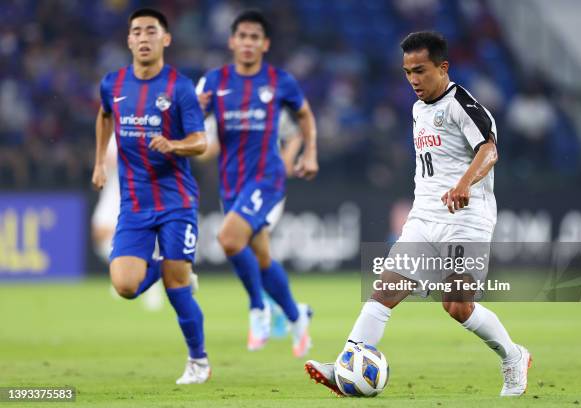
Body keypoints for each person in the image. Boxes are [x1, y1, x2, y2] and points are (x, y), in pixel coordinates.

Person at [305, 31, 531, 397]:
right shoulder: (416, 108)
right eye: (407, 71)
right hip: (425, 217)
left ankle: (513, 356)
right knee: (384, 292)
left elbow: (489, 151)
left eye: (420, 70)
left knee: (457, 305)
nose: (413, 80)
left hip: (467, 218)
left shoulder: (463, 104)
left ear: (443, 67)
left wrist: (464, 184)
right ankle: (348, 362)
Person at [91, 8, 209, 384]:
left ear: (165, 39)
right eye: (136, 31)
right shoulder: (113, 83)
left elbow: (201, 141)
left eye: (151, 31)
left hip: (176, 201)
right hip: (135, 204)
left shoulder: (180, 87)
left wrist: (174, 145)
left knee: (177, 290)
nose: (143, 37)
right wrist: (98, 163)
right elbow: (105, 115)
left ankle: (199, 362)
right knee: (125, 286)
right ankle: (172, 268)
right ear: (128, 40)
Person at [196, 10, 318, 357]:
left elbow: (305, 116)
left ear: (264, 44)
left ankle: (258, 308)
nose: (248, 43)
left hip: (267, 179)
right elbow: (186, 126)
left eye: (255, 37)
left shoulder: (279, 81)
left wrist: (309, 154)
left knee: (228, 238)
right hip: (230, 183)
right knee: (261, 255)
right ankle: (296, 317)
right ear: (232, 41)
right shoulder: (213, 82)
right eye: (242, 36)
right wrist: (194, 110)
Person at [91, 136, 165, 312]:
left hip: (134, 192)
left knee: (136, 235)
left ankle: (152, 281)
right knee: (100, 235)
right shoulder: (111, 135)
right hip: (112, 192)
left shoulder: (140, 129)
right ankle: (122, 273)